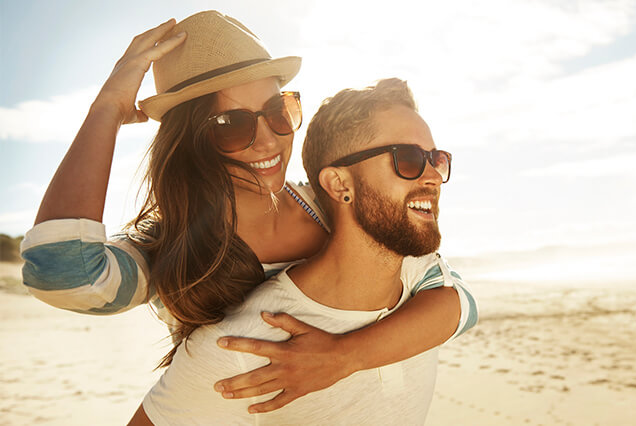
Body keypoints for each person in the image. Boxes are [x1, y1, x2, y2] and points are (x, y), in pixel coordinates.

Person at [20, 10, 477, 414]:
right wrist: (107, 110)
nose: (268, 141)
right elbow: (63, 275)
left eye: (278, 111)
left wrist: (343, 357)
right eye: (231, 124)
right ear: (191, 139)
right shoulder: (174, 249)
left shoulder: (331, 204)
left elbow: (456, 299)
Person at [129, 78, 472, 425]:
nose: (432, 176)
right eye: (408, 159)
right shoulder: (244, 347)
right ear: (339, 184)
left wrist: (345, 356)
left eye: (436, 159)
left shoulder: (418, 277)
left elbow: (461, 305)